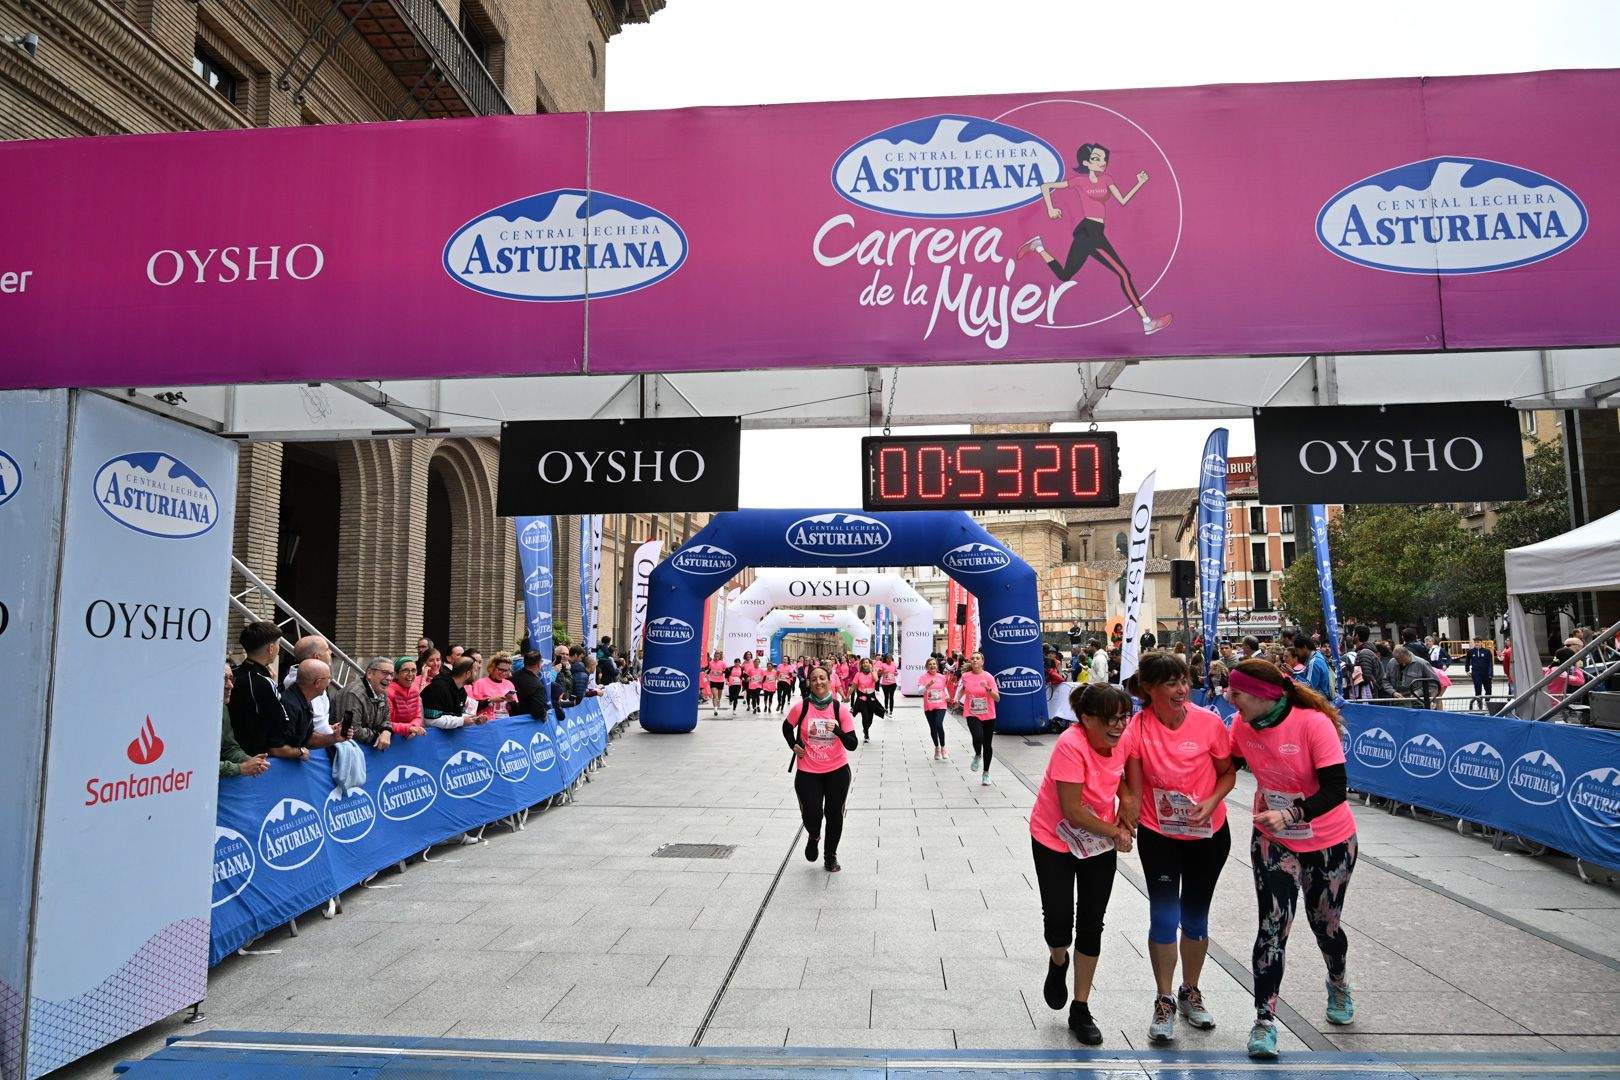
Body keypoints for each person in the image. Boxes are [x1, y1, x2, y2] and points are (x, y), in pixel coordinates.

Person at [1224, 659, 1358, 1061]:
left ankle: (1337, 980)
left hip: (1328, 840)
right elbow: (1225, 765)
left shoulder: (1311, 724)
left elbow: (1337, 788)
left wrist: (1292, 813)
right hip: (1273, 841)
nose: (1230, 700)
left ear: (1262, 694)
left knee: (1325, 925)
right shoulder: (1241, 725)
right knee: (1272, 926)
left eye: (1236, 694)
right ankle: (1264, 1020)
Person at [1122, 651, 1236, 1044]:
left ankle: (1191, 991)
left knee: (1196, 917)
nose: (1182, 690)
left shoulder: (1208, 722)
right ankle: (1164, 998)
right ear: (1149, 689)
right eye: (1171, 683)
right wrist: (1124, 818)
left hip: (1208, 836)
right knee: (1164, 916)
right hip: (1160, 837)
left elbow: (1227, 773)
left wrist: (1211, 802)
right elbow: (1133, 788)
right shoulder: (1137, 728)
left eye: (1185, 681)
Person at [1028, 683, 1137, 1045]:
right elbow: (1073, 811)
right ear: (1086, 718)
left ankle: (1080, 1007)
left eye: (1123, 717)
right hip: (1054, 838)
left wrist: (1127, 800)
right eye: (1110, 719)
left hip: (1098, 843)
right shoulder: (1070, 745)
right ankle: (1058, 961)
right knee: (1059, 923)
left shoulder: (1120, 739)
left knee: (1091, 923)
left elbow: (1120, 775)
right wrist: (1117, 832)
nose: (1119, 726)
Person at [783, 665, 859, 873]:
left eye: (822, 678)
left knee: (834, 814)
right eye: (814, 679)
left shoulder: (839, 709)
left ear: (829, 680)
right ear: (809, 682)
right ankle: (814, 835)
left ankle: (830, 856)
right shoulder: (802, 708)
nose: (818, 682)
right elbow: (786, 727)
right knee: (812, 814)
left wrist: (838, 731)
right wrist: (793, 745)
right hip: (808, 771)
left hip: (837, 771)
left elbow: (852, 743)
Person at [230, 620, 301, 758]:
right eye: (278, 645)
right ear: (271, 648)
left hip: (231, 750)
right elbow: (280, 723)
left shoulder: (232, 673)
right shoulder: (262, 681)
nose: (278, 649)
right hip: (255, 757)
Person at [955, 651, 1001, 786]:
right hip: (972, 713)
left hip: (988, 715)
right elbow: (962, 689)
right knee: (977, 737)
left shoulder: (989, 677)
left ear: (982, 661)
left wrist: (989, 690)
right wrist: (957, 699)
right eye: (973, 659)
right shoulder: (965, 676)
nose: (975, 661)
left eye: (977, 658)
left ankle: (986, 773)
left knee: (987, 745)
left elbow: (997, 698)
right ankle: (977, 755)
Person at [333, 657, 397, 749]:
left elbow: (386, 720)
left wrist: (387, 731)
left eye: (391, 674)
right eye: (385, 673)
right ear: (370, 674)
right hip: (345, 748)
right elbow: (352, 730)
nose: (389, 678)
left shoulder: (382, 692)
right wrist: (377, 735)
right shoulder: (354, 693)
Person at [220, 662, 269, 778]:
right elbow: (198, 763)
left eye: (231, 679)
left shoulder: (222, 708)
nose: (230, 685)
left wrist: (251, 761)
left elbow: (230, 748)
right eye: (224, 679)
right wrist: (239, 768)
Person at [421, 657, 481, 727]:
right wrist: (462, 721)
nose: (476, 674)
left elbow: (456, 715)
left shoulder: (461, 691)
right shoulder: (438, 688)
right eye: (475, 671)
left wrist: (473, 720)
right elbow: (430, 721)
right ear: (468, 674)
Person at [919, 656, 951, 760]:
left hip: (941, 704)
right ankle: (937, 748)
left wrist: (947, 695)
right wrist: (927, 686)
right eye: (930, 664)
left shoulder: (941, 677)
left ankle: (943, 747)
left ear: (937, 666)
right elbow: (919, 691)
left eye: (934, 664)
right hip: (929, 706)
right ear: (926, 667)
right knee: (933, 728)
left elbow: (944, 688)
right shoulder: (923, 677)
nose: (932, 666)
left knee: (939, 724)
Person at [470, 651, 519, 719]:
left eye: (506, 670)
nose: (504, 673)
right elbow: (472, 708)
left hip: (505, 721)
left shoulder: (509, 684)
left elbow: (516, 710)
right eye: (500, 670)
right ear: (492, 667)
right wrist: (491, 700)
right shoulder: (480, 683)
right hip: (487, 723)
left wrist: (512, 702)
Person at [386, 657, 426, 734]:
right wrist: (409, 728)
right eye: (405, 670)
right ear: (396, 674)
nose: (410, 674)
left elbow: (418, 716)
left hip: (409, 735)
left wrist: (414, 726)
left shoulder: (415, 690)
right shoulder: (389, 693)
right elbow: (386, 723)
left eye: (413, 670)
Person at [849, 657, 883, 743]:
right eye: (863, 663)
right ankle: (866, 733)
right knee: (865, 716)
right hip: (862, 698)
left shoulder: (873, 673)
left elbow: (876, 680)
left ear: (870, 664)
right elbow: (853, 686)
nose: (865, 664)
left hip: (871, 698)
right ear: (861, 665)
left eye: (867, 662)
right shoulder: (858, 674)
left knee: (870, 717)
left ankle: (866, 728)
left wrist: (872, 671)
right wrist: (846, 696)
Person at [1463, 639, 1495, 709]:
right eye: (1475, 642)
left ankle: (1487, 702)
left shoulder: (1487, 651)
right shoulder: (1471, 652)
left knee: (1488, 689)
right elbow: (1467, 661)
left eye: (1478, 642)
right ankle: (1479, 704)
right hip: (1476, 673)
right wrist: (1467, 670)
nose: (1476, 643)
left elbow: (1490, 663)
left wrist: (1490, 673)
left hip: (1486, 673)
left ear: (1481, 643)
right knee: (1478, 689)